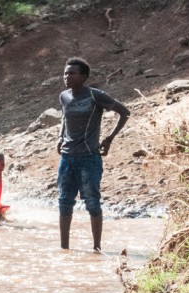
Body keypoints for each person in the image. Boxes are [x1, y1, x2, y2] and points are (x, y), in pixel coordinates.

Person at [57, 57, 130, 251]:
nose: (67, 76)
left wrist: (109, 139)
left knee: (92, 203)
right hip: (67, 158)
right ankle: (64, 249)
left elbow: (124, 112)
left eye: (72, 73)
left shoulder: (95, 96)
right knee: (64, 203)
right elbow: (64, 117)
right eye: (65, 73)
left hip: (89, 158)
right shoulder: (64, 96)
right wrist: (60, 137)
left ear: (83, 77)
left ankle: (97, 248)